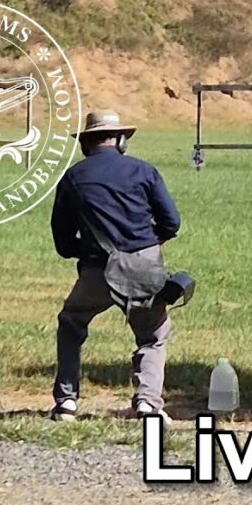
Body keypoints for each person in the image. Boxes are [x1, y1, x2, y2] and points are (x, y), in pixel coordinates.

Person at [50, 111, 181, 423]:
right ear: (121, 141)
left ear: (85, 144)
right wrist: (148, 247)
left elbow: (63, 242)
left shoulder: (72, 177)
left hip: (97, 270)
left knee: (71, 324)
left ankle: (66, 402)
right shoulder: (144, 170)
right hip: (144, 269)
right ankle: (148, 404)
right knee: (152, 335)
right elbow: (172, 222)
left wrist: (88, 253)